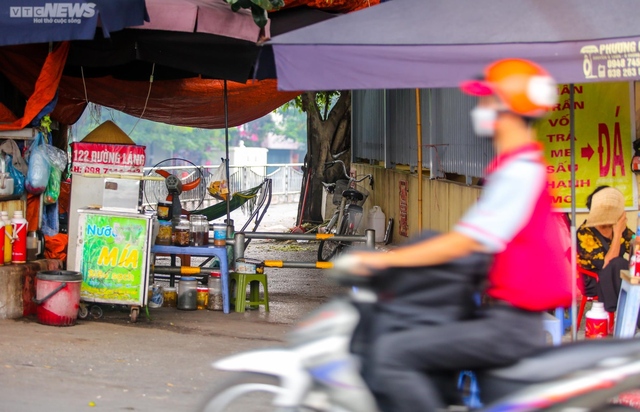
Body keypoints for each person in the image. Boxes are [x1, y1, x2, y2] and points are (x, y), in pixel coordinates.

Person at [340, 58, 572, 412]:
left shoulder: (519, 172)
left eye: (486, 100)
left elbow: (466, 241)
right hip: (500, 316)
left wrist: (382, 260)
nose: (479, 109)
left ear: (505, 108)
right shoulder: (514, 166)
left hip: (509, 327)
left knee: (393, 353)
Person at [577, 186, 634, 313]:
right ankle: (621, 311)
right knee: (618, 263)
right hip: (594, 280)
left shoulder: (619, 227)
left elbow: (635, 242)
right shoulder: (584, 233)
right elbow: (606, 264)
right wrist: (618, 233)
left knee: (629, 268)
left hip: (619, 277)